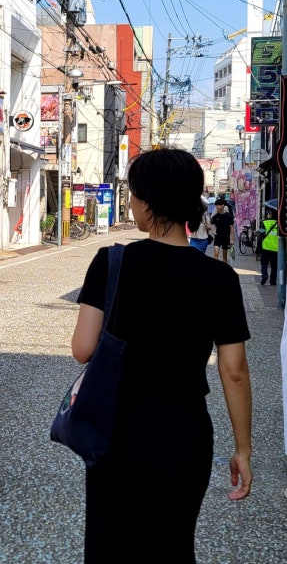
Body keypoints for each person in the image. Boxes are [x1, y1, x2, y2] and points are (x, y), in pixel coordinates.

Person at [72, 148, 252, 563]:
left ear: (147, 202)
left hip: (115, 430)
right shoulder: (220, 278)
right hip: (183, 432)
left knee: (110, 545)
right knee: (173, 545)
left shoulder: (111, 262)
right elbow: (234, 370)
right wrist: (242, 449)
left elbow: (82, 350)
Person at [211, 197, 235, 263]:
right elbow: (212, 225)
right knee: (216, 253)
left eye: (218, 205)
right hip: (217, 237)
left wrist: (232, 239)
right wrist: (214, 231)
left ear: (223, 205)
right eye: (216, 205)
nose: (217, 206)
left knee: (224, 256)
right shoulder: (215, 216)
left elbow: (231, 227)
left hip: (226, 238)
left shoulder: (229, 216)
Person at [258, 209, 278, 286]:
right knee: (274, 265)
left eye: (268, 214)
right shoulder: (278, 225)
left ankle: (264, 275)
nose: (267, 215)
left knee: (264, 263)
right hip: (276, 248)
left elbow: (260, 235)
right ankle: (273, 280)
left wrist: (258, 248)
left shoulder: (265, 223)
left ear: (270, 214)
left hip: (266, 247)